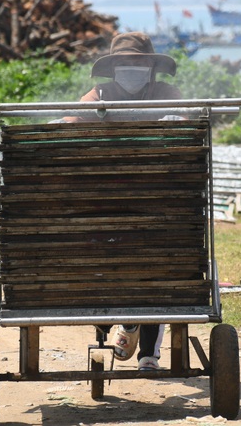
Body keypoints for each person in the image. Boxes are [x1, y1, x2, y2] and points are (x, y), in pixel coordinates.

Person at [71, 32, 183, 370]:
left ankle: (149, 353)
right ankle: (119, 323)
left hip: (155, 199)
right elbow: (68, 123)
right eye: (125, 64)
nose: (132, 69)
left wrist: (179, 122)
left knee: (157, 265)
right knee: (104, 260)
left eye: (139, 63)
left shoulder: (166, 95)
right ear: (114, 68)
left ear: (151, 67)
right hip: (106, 200)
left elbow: (189, 121)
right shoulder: (97, 96)